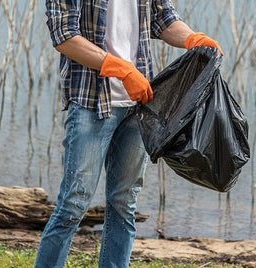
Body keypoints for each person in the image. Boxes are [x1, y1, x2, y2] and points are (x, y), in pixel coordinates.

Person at [35, 0, 223, 267]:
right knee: (73, 206)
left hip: (140, 103)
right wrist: (121, 69)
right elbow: (64, 36)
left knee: (124, 206)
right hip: (92, 102)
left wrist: (192, 38)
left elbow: (164, 18)